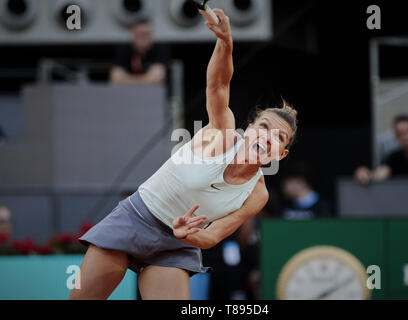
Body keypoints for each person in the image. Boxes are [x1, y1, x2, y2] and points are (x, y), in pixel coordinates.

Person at [70, 9, 298, 300]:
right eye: (264, 126)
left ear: (280, 153)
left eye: (278, 137)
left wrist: (184, 234)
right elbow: (218, 85)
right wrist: (226, 43)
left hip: (176, 244)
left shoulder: (257, 195)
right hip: (137, 216)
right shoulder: (223, 135)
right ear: (249, 128)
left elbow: (212, 236)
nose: (267, 136)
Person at [354, 114, 408, 184]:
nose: (405, 137)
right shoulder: (394, 158)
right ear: (396, 137)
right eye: (400, 134)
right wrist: (366, 175)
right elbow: (380, 174)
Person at [109, 19, 167, 85]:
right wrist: (146, 80)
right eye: (139, 34)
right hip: (126, 93)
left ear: (152, 36)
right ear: (133, 35)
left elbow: (158, 76)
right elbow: (115, 77)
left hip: (152, 93)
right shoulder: (124, 49)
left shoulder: (158, 49)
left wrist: (126, 80)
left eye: (146, 34)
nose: (143, 38)